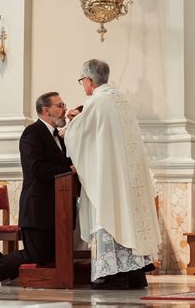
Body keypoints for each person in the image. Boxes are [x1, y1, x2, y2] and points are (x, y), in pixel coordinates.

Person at [64, 59, 161, 289]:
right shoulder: (121, 99)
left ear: (89, 80)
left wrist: (68, 125)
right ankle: (135, 272)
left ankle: (112, 274)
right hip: (128, 174)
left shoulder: (96, 102)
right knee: (126, 216)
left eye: (82, 81)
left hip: (108, 176)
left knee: (109, 215)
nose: (82, 85)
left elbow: (79, 136)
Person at [0, 92, 74, 284]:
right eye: (60, 105)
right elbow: (35, 168)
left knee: (50, 255)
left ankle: (8, 272)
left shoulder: (59, 137)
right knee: (37, 254)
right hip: (37, 209)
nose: (64, 109)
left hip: (56, 208)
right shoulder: (32, 132)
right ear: (46, 110)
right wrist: (68, 169)